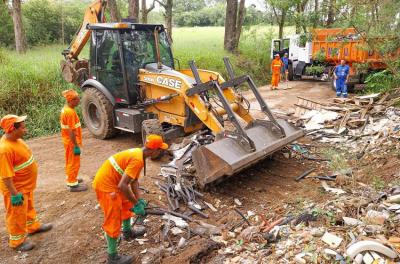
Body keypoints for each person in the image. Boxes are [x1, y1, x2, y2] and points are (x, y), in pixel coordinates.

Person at [92, 134, 168, 264]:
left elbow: (133, 182)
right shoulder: (137, 160)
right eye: (160, 150)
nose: (160, 153)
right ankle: (112, 257)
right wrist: (136, 203)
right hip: (107, 186)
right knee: (113, 219)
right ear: (153, 150)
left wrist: (138, 201)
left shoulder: (140, 155)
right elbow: (123, 185)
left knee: (127, 204)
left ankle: (127, 232)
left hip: (115, 183)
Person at [0, 114, 53, 251]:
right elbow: (6, 176)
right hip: (17, 190)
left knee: (28, 208)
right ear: (12, 129)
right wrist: (14, 194)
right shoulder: (4, 150)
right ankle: (17, 242)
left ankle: (33, 227)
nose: (26, 130)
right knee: (16, 215)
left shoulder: (17, 140)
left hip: (25, 186)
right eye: (23, 128)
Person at [60, 89, 87, 192]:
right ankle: (73, 185)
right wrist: (76, 145)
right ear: (71, 101)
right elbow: (71, 131)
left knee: (69, 161)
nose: (79, 100)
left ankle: (71, 178)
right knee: (74, 162)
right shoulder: (70, 113)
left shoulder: (66, 109)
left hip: (68, 141)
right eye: (76, 99)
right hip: (72, 142)